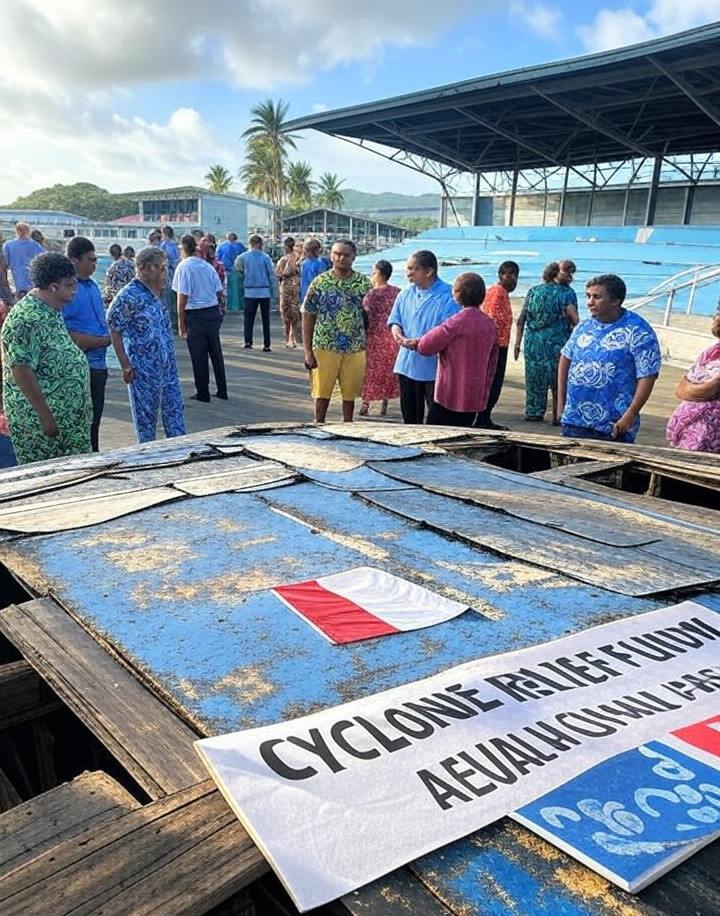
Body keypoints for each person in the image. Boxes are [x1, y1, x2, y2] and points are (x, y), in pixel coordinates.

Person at [1, 252, 91, 464]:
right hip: (43, 426)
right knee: (47, 482)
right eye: (70, 285)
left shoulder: (52, 309)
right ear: (53, 287)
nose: (74, 291)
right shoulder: (25, 319)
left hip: (68, 421)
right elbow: (21, 369)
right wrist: (46, 418)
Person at [558, 273, 661, 443]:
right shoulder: (584, 326)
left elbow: (648, 375)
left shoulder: (638, 331)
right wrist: (561, 404)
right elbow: (565, 358)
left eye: (597, 297)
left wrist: (631, 414)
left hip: (613, 424)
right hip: (574, 420)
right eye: (588, 296)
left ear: (615, 300)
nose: (590, 302)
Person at [107, 246, 185, 443]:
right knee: (146, 422)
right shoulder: (128, 296)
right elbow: (114, 329)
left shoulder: (157, 294)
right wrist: (125, 364)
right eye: (160, 268)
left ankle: (180, 454)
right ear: (144, 268)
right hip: (142, 369)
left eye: (164, 267)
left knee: (175, 415)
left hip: (166, 368)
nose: (164, 273)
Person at [401, 273, 498, 427]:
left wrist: (414, 343)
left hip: (450, 393)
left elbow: (427, 346)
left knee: (437, 431)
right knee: (464, 432)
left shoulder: (456, 322)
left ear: (458, 294)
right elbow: (493, 360)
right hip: (475, 393)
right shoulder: (489, 324)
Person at [302, 238, 372, 423]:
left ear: (353, 257)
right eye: (337, 254)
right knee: (322, 392)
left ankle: (347, 426)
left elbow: (371, 316)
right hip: (325, 345)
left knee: (349, 394)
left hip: (355, 347)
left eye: (345, 255)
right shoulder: (320, 283)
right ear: (331, 256)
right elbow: (308, 315)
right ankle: (318, 425)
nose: (341, 258)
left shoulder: (364, 284)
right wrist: (308, 351)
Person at [387, 250, 459, 424]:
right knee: (410, 417)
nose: (408, 273)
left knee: (437, 418)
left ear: (429, 271)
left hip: (435, 366)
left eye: (413, 269)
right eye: (407, 269)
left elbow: (449, 331)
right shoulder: (405, 294)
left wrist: (421, 342)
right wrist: (398, 335)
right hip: (407, 363)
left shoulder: (449, 296)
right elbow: (395, 320)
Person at [514, 259, 578, 423]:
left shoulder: (533, 291)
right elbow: (575, 320)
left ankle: (534, 411)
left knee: (534, 377)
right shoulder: (567, 293)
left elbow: (521, 319)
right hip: (556, 342)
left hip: (533, 342)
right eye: (568, 272)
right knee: (558, 378)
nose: (571, 277)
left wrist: (517, 343)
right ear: (556, 273)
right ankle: (558, 414)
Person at [63, 236, 111, 452]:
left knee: (94, 420)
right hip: (81, 365)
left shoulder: (92, 286)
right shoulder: (67, 291)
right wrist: (102, 340)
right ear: (75, 261)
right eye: (90, 260)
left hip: (99, 364)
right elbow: (65, 332)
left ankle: (94, 455)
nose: (94, 264)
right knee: (83, 422)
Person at [172, 234, 227, 402]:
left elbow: (182, 298)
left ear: (183, 248)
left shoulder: (184, 267)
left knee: (198, 355)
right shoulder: (206, 266)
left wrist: (181, 325)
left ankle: (203, 392)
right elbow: (219, 291)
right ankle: (222, 389)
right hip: (211, 312)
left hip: (195, 314)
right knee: (215, 352)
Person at [474, 260, 519, 430]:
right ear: (501, 275)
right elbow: (490, 318)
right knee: (492, 383)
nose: (514, 279)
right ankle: (482, 419)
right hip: (494, 345)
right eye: (510, 274)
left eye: (515, 275)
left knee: (494, 383)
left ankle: (484, 418)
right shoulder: (497, 293)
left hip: (500, 344)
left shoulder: (501, 293)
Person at [666, 313, 720, 452]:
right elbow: (681, 389)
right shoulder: (711, 352)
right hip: (693, 426)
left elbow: (707, 390)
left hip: (709, 433)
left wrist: (692, 390)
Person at [360, 259, 400, 416]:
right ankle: (384, 406)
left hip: (375, 335)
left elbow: (366, 312)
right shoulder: (397, 292)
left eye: (374, 273)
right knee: (388, 372)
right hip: (392, 335)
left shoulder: (371, 294)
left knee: (370, 371)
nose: (372, 275)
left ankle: (365, 405)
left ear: (380, 274)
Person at [235, 235, 277, 351]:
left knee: (248, 319)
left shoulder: (243, 257)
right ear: (260, 244)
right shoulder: (265, 257)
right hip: (264, 291)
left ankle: (248, 341)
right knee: (265, 319)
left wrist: (243, 277)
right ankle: (266, 344)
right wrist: (274, 293)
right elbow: (271, 275)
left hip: (249, 291)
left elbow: (237, 268)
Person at [3, 222, 45, 301]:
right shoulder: (35, 245)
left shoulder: (8, 245)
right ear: (28, 231)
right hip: (32, 281)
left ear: (16, 231)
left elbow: (5, 264)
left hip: (15, 282)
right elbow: (45, 259)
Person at [275, 236, 302, 348]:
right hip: (297, 288)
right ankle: (293, 337)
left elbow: (278, 274)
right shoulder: (299, 258)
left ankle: (288, 338)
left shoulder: (284, 259)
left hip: (286, 288)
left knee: (286, 314)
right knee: (295, 313)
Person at [217, 232, 246, 312]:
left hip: (229, 270)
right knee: (236, 288)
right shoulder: (239, 246)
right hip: (234, 269)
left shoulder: (223, 246)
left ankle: (233, 305)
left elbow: (218, 257)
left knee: (231, 288)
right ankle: (237, 305)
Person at [159, 225, 180, 334]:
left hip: (168, 275)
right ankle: (176, 324)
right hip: (175, 274)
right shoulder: (176, 244)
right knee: (175, 300)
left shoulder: (164, 245)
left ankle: (170, 325)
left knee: (167, 301)